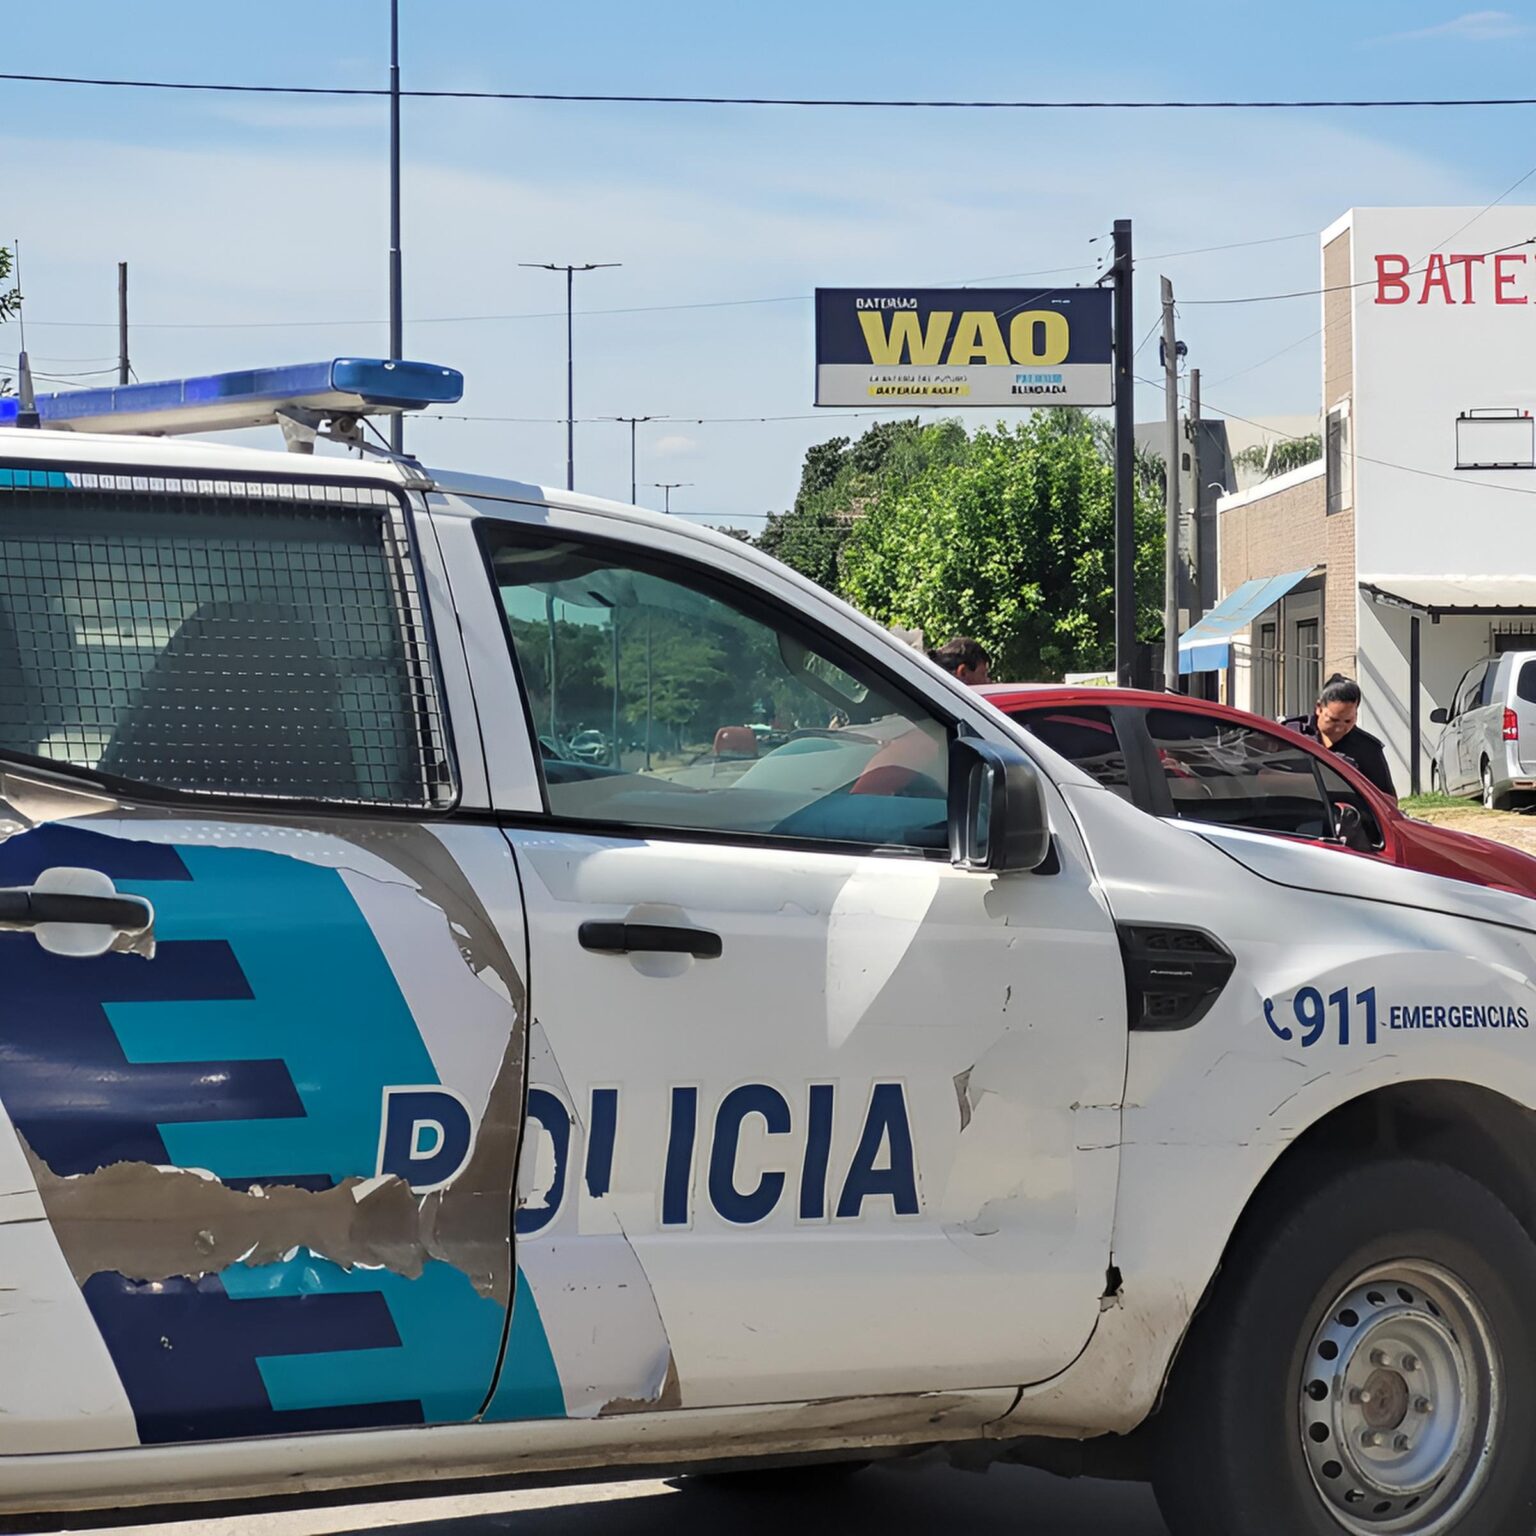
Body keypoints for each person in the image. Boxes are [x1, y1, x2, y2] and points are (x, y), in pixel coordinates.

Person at [1283, 673, 1397, 799]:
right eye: (1334, 720)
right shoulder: (1292, 733)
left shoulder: (1368, 748)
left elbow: (1388, 801)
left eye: (1348, 721)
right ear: (1319, 708)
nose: (1339, 728)